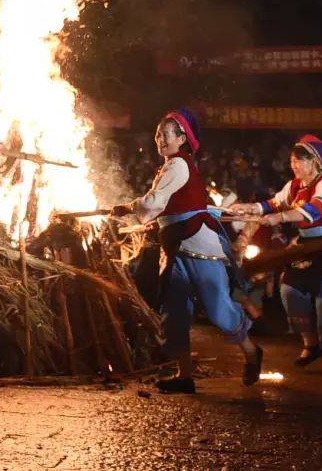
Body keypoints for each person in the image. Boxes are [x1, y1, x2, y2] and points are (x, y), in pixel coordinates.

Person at [112, 110, 262, 394]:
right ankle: (185, 375)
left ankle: (252, 351)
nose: (160, 139)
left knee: (218, 309)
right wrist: (134, 209)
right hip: (174, 246)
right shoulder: (169, 166)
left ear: (182, 138)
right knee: (175, 311)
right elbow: (161, 207)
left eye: (166, 133)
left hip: (196, 243)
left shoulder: (178, 165)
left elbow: (155, 201)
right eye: (158, 133)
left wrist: (131, 207)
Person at [231, 135, 322, 376]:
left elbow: (311, 212)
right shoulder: (294, 186)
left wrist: (279, 218)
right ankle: (311, 345)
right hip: (306, 248)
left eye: (300, 160)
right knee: (290, 292)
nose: (294, 164)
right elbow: (273, 203)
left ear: (316, 162)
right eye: (292, 160)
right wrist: (248, 209)